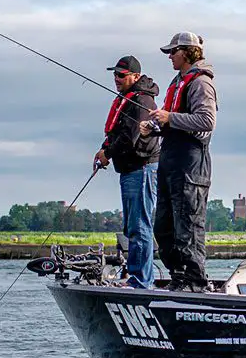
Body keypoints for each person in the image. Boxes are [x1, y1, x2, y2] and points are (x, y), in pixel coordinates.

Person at [140, 31, 217, 290]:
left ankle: (194, 281)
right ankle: (179, 276)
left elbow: (207, 121)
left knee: (188, 226)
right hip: (170, 163)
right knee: (164, 227)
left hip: (191, 166)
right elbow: (174, 121)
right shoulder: (178, 81)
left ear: (187, 52)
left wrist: (169, 118)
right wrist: (156, 126)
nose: (170, 56)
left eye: (173, 52)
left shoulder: (200, 83)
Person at [93, 55, 161, 288]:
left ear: (135, 76)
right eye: (115, 74)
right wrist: (104, 149)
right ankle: (137, 278)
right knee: (133, 226)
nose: (116, 79)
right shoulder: (128, 99)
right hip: (130, 171)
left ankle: (141, 281)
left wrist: (108, 153)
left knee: (139, 225)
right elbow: (117, 132)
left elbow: (130, 136)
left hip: (142, 169)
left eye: (121, 75)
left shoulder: (141, 100)